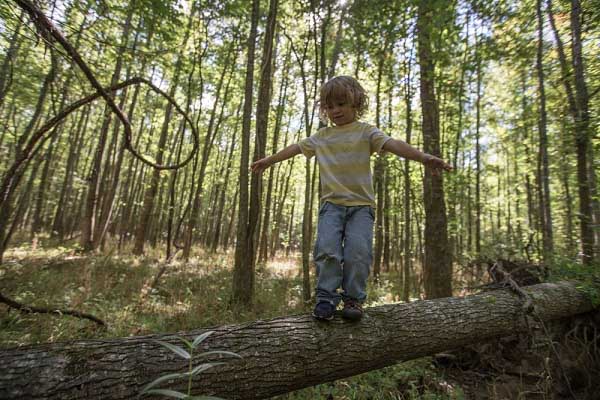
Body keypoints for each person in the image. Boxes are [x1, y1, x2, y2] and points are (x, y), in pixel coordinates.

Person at [251, 76, 452, 321]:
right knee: (327, 251)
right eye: (330, 106)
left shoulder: (366, 132)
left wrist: (423, 157)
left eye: (341, 104)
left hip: (361, 208)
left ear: (356, 103)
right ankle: (325, 298)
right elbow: (294, 148)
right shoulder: (322, 136)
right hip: (331, 206)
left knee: (358, 253)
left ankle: (353, 300)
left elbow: (394, 144)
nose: (335, 110)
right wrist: (268, 161)